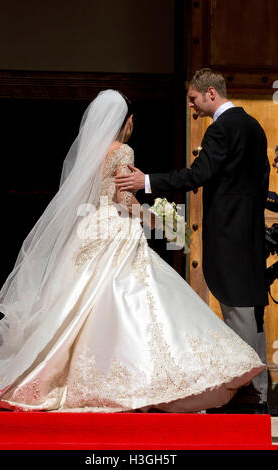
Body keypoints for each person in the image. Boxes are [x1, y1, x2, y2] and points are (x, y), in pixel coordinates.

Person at [0, 89, 265, 413]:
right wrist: (159, 222)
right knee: (135, 301)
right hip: (115, 230)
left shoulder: (89, 155)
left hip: (89, 229)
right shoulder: (123, 152)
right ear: (126, 122)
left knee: (78, 306)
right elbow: (124, 201)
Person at [115, 70, 270, 414]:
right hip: (250, 232)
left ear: (211, 94)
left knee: (237, 312)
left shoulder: (221, 129)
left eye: (193, 98)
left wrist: (147, 180)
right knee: (251, 310)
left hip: (228, 234)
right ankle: (258, 388)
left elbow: (197, 175)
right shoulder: (255, 128)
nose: (191, 105)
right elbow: (261, 181)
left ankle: (249, 392)